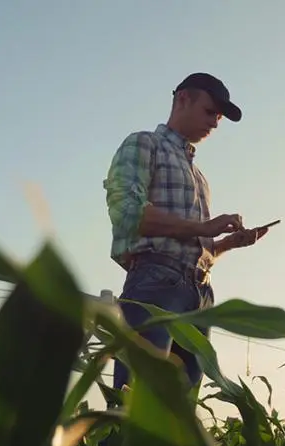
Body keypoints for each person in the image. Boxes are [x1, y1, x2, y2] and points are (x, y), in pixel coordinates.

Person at [102, 72, 269, 392]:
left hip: (199, 293)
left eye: (219, 117)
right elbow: (126, 213)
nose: (216, 124)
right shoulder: (143, 144)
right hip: (156, 284)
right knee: (137, 403)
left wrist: (227, 244)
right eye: (210, 112)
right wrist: (203, 227)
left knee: (180, 419)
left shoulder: (199, 176)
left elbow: (192, 247)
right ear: (182, 100)